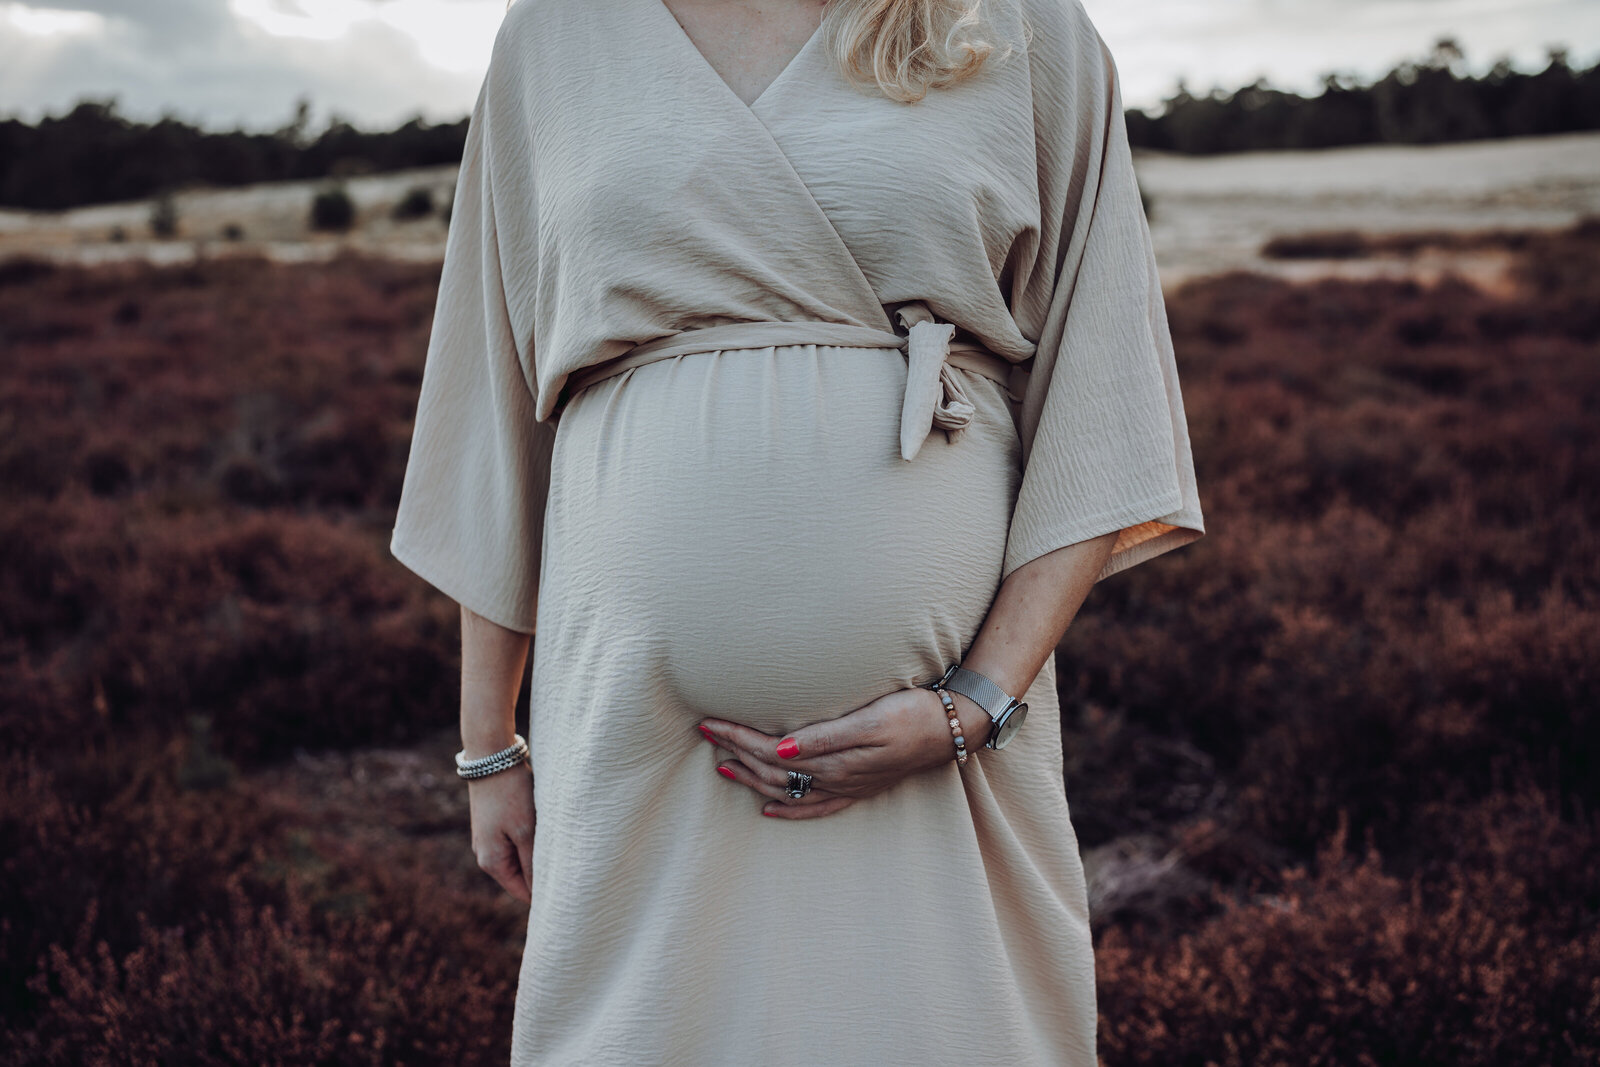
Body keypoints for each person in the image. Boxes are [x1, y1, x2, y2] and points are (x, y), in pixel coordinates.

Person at [389, 0, 1205, 1062]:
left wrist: (974, 703)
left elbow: (1103, 395)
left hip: (940, 744)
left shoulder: (1018, 21)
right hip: (635, 725)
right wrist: (487, 745)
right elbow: (491, 401)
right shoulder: (555, 32)